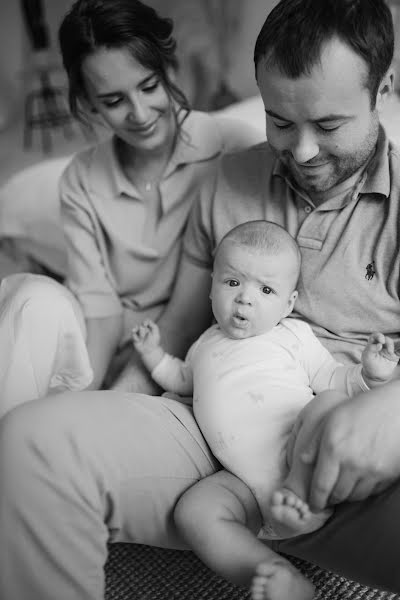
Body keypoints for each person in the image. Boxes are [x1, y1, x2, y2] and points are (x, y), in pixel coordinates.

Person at [1, 0, 400, 599]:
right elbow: (181, 323)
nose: (304, 152)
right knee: (32, 438)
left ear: (385, 88)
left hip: (353, 437)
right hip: (209, 423)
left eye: (329, 124)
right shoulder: (228, 180)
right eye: (280, 122)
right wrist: (112, 407)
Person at [0, 0, 259, 415]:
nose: (139, 114)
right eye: (113, 100)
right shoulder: (80, 181)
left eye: (149, 86)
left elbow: (190, 316)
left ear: (170, 70)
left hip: (185, 356)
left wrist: (111, 407)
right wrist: (89, 396)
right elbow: (100, 318)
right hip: (113, 345)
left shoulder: (234, 149)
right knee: (32, 297)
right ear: (88, 103)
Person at [132, 220, 399, 599]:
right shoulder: (204, 345)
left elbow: (333, 379)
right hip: (245, 485)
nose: (244, 298)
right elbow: (180, 379)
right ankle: (270, 571)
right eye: (232, 282)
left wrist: (370, 374)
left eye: (266, 289)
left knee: (327, 404)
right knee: (194, 511)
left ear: (287, 304)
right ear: (212, 288)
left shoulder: (292, 335)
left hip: (303, 457)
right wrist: (152, 355)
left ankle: (300, 493)